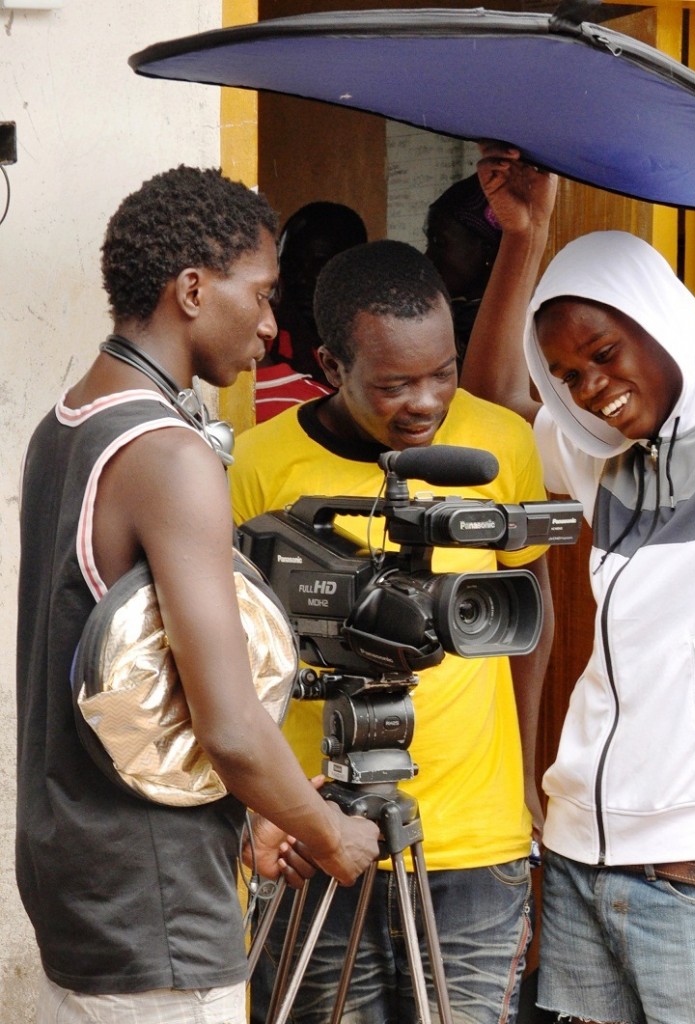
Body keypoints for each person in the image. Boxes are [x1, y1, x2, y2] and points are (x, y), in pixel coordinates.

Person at [459, 112, 695, 1024]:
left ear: (661, 323)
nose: (592, 388)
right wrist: (523, 240)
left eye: (603, 354)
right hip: (581, 864)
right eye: (569, 375)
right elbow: (488, 409)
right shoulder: (604, 458)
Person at [15, 165, 380, 1024]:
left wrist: (253, 823)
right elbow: (228, 723)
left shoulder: (66, 423)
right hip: (158, 903)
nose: (268, 323)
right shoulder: (169, 455)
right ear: (190, 289)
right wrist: (330, 837)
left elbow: (122, 666)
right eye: (259, 294)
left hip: (80, 870)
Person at [228, 238, 554, 1024]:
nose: (428, 401)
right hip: (314, 835)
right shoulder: (257, 465)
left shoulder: (498, 442)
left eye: (442, 371)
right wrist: (254, 806)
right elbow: (229, 657)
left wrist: (531, 772)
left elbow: (523, 614)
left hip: (474, 840)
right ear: (332, 366)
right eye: (396, 383)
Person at [255, 201, 367, 422]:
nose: (301, 278)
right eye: (289, 263)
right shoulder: (264, 340)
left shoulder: (374, 343)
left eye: (318, 264)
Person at [424, 172, 503, 366]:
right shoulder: (449, 322)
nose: (428, 257)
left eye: (438, 243)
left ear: (487, 251)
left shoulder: (516, 334)